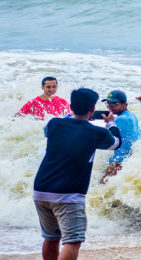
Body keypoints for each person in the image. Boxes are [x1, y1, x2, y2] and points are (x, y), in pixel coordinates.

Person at [33, 88, 121, 260]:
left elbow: (50, 130)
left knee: (51, 238)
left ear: (71, 106)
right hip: (68, 195)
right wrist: (111, 123)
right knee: (72, 241)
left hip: (41, 190)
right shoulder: (97, 132)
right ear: (92, 110)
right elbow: (116, 143)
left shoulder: (54, 124)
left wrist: (70, 115)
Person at [99, 90, 141, 184]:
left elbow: (106, 141)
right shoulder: (132, 115)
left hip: (118, 163)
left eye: (114, 103)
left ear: (124, 104)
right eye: (108, 103)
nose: (110, 106)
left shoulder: (119, 119)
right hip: (130, 161)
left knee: (102, 189)